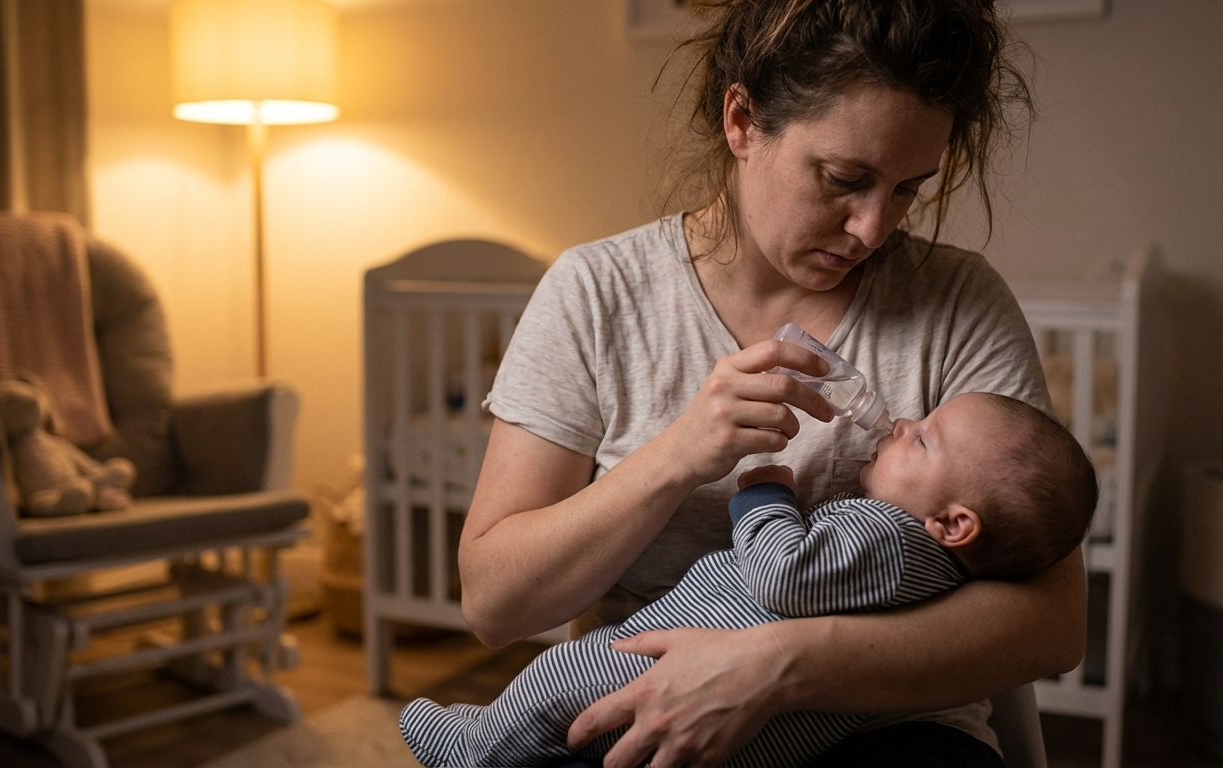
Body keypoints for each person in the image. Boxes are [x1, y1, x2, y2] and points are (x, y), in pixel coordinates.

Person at [450, 1, 1087, 766]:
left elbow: (1055, 625)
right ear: (743, 120)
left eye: (909, 188)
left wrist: (775, 668)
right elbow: (495, 604)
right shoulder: (597, 293)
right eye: (844, 179)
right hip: (643, 722)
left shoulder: (955, 302)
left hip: (891, 731)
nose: (873, 229)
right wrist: (678, 455)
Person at [399, 392, 1098, 768]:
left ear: (953, 524)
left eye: (923, 439)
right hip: (763, 737)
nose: (905, 420)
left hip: (655, 660)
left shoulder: (884, 533)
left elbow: (785, 576)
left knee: (563, 686)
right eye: (839, 178)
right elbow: (492, 603)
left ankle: (478, 746)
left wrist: (765, 494)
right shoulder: (930, 568)